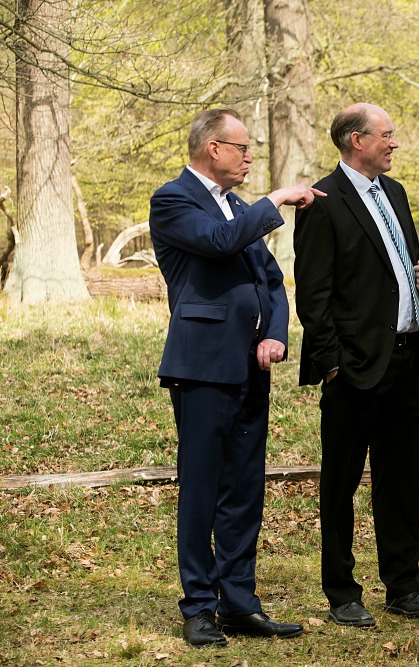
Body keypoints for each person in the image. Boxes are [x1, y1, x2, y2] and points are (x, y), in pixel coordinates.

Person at [149, 108, 325, 647]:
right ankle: (199, 606)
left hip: (253, 366)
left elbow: (271, 281)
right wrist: (275, 199)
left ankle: (239, 603)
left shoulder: (239, 207)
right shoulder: (174, 200)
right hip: (202, 365)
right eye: (242, 148)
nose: (250, 157)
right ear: (212, 149)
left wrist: (275, 333)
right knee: (202, 487)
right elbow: (220, 242)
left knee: (245, 489)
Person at [293, 103, 419, 629]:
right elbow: (313, 296)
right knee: (340, 484)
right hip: (353, 370)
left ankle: (404, 586)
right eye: (386, 135)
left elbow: (403, 271)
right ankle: (341, 592)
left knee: (399, 481)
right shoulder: (323, 202)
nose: (393, 143)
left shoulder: (395, 195)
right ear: (357, 140)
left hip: (404, 361)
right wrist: (333, 364)